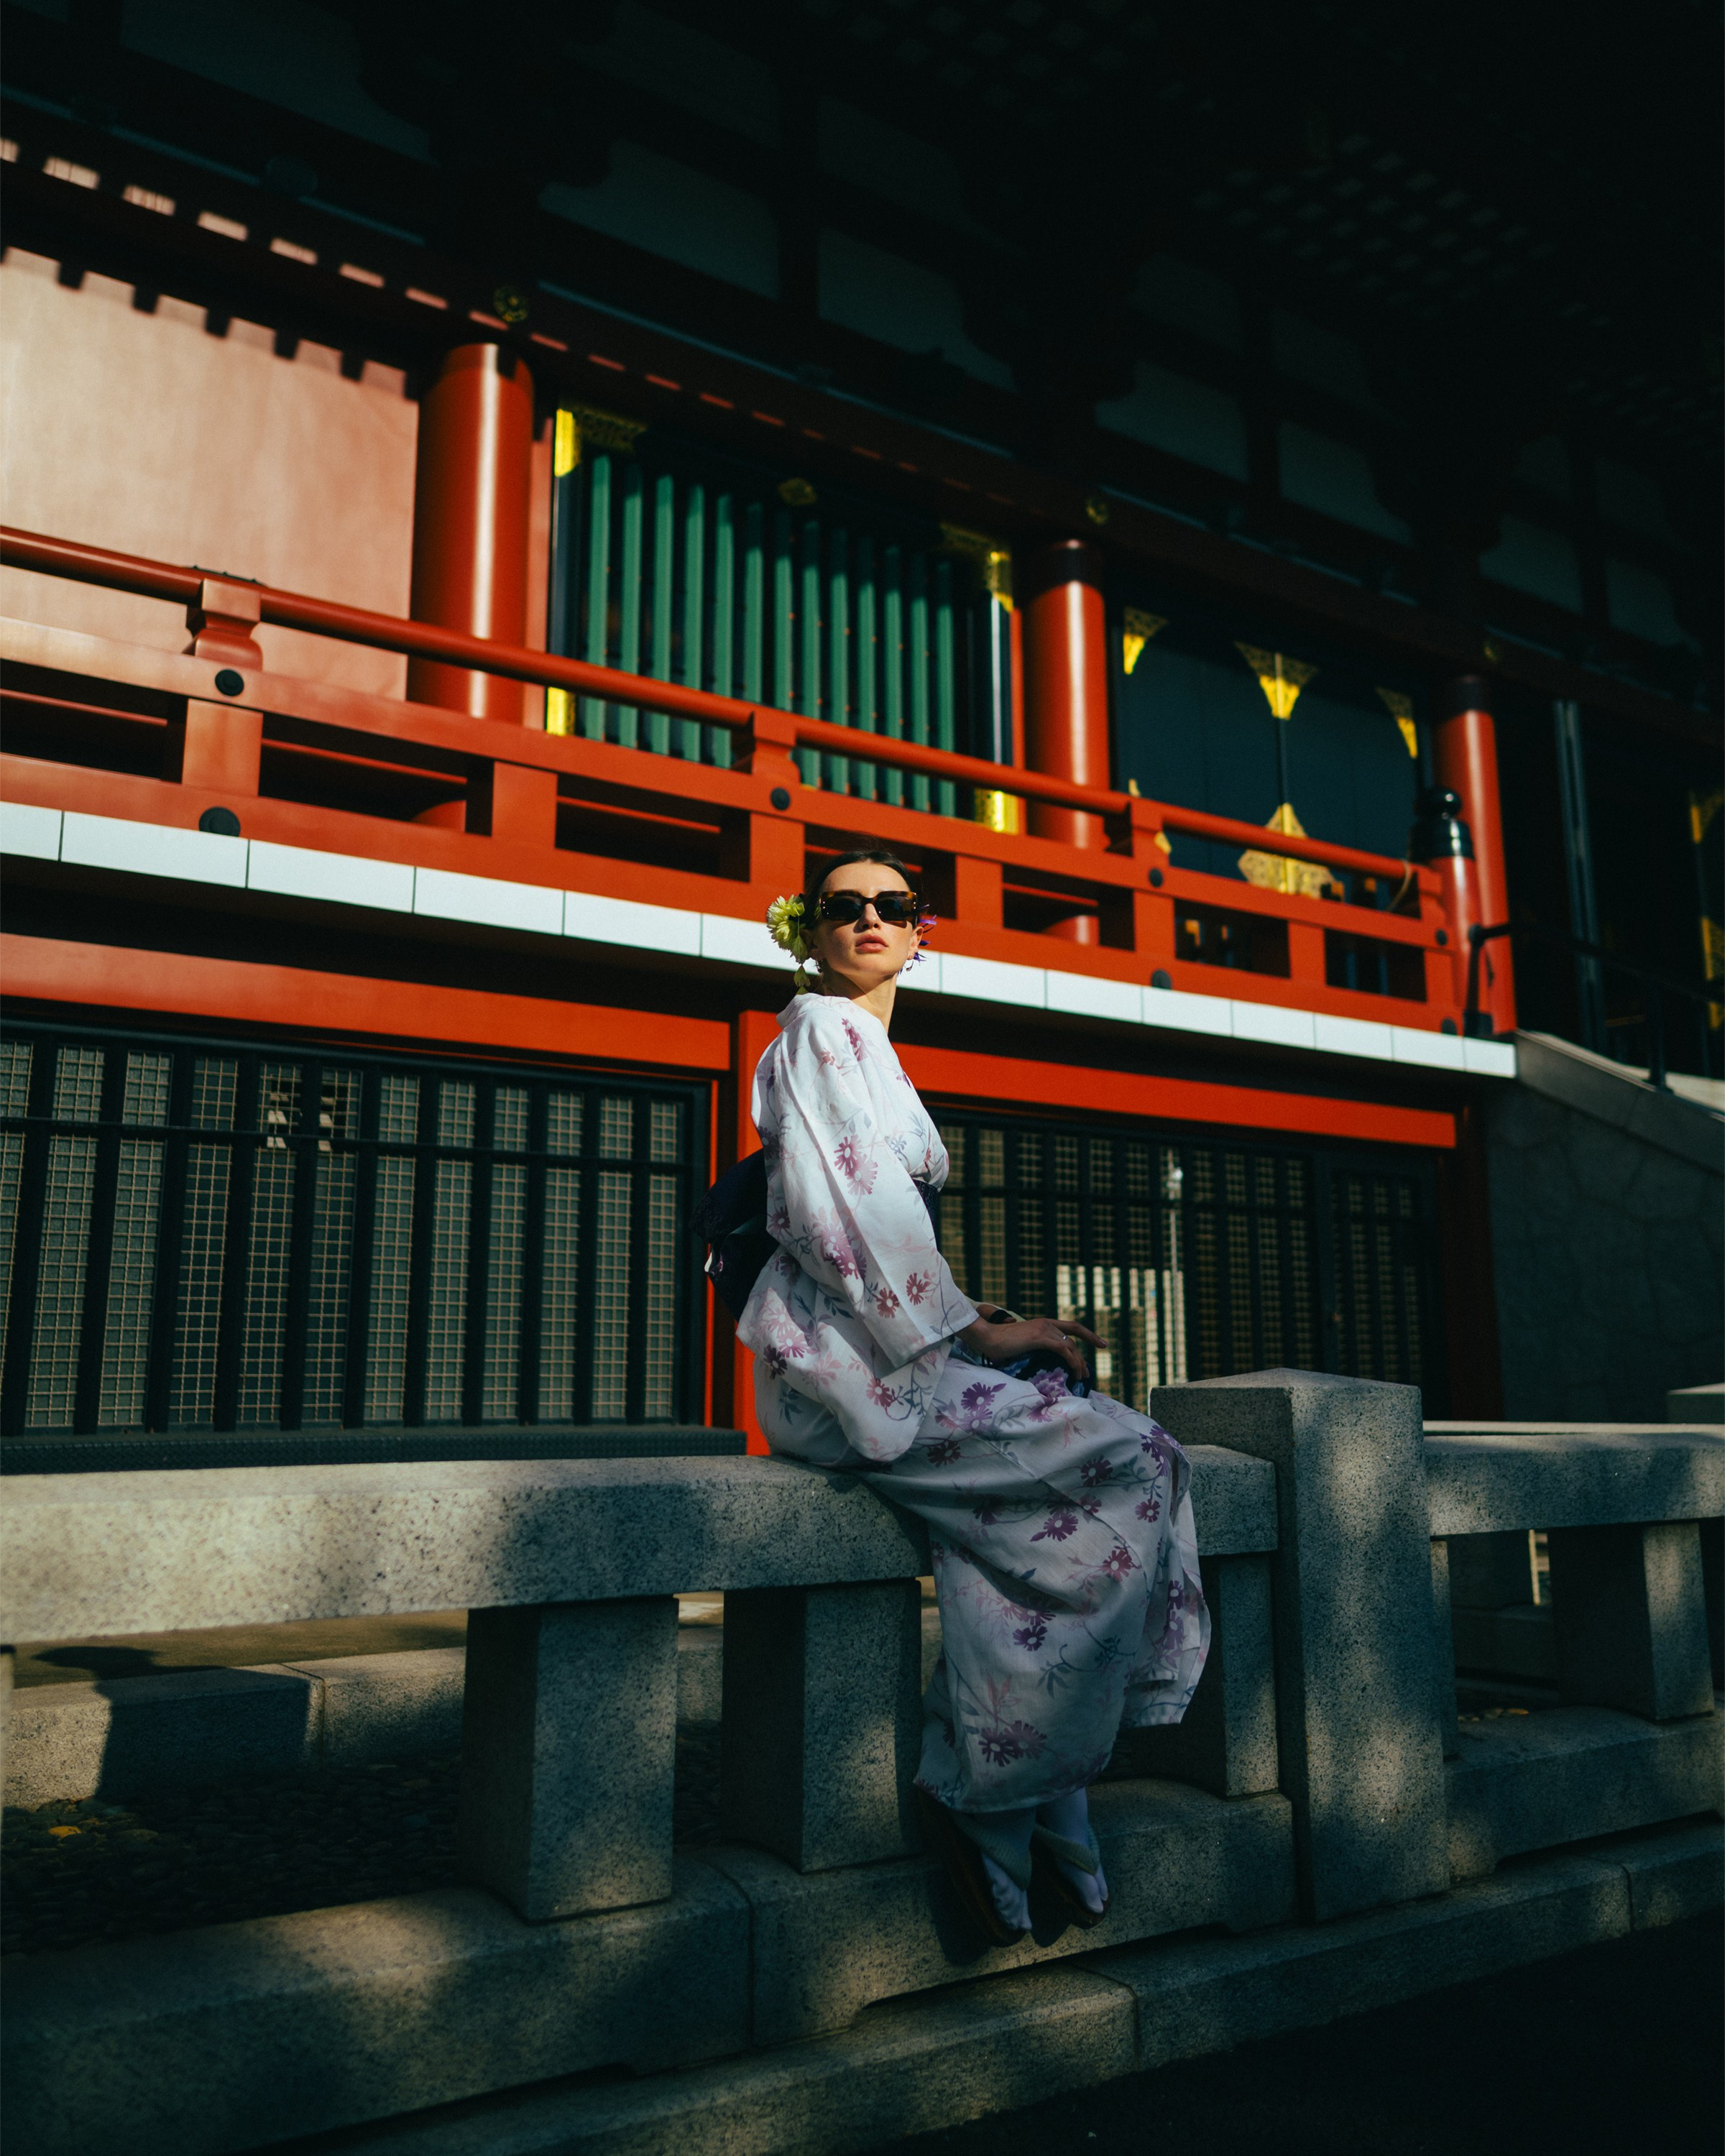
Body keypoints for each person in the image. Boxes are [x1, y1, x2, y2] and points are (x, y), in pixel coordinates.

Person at [737, 848, 1210, 1944]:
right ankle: (1006, 1788)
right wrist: (985, 1333)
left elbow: (883, 1232)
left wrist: (982, 1324)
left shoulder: (868, 1046)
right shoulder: (820, 1028)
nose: (868, 918)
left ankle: (1030, 1776)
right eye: (842, 905)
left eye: (892, 905)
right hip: (846, 1370)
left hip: (891, 1350)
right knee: (1133, 1461)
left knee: (1074, 1500)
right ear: (809, 931)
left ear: (920, 933)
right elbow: (845, 1220)